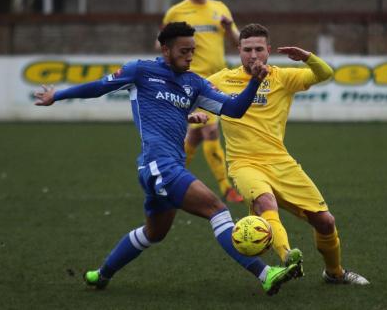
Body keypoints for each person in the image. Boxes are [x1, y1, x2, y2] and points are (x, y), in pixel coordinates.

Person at [34, 22, 300, 295]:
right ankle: (266, 274)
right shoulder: (141, 71)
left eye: (192, 51)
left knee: (154, 233)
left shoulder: (194, 83)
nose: (189, 56)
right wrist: (58, 96)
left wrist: (254, 81)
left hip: (165, 167)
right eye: (184, 51)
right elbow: (100, 86)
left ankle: (100, 275)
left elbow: (234, 109)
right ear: (166, 49)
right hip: (158, 164)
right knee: (217, 210)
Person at [206, 23, 370, 285]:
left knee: (326, 222)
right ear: (238, 50)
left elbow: (324, 73)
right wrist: (201, 114)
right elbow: (196, 96)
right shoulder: (222, 79)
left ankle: (335, 273)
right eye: (247, 49)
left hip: (282, 163)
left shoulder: (281, 77)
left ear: (268, 50)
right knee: (266, 202)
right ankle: (288, 258)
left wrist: (306, 57)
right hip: (244, 164)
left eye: (259, 49)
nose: (254, 55)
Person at [159, 0, 242, 203]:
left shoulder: (220, 8)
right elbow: (162, 45)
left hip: (217, 80)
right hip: (190, 80)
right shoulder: (176, 12)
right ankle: (226, 188)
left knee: (194, 135)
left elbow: (237, 41)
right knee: (211, 131)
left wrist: (227, 27)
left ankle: (167, 180)